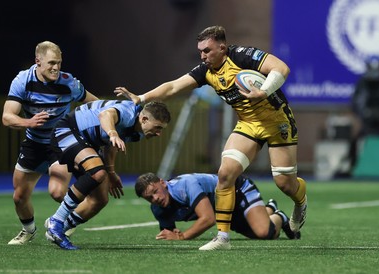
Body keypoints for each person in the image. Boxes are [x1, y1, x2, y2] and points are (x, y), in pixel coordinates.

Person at [115, 25, 307, 250]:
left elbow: (281, 68)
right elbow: (174, 86)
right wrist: (141, 97)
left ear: (222, 48)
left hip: (277, 122)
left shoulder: (242, 56)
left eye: (207, 50)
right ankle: (222, 239)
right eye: (200, 51)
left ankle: (300, 202)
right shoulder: (205, 71)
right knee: (225, 174)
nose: (203, 56)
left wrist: (263, 92)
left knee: (284, 183)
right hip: (248, 125)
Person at [2, 41, 99, 245]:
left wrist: (103, 118)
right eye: (51, 63)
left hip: (60, 142)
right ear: (38, 61)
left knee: (57, 193)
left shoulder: (69, 83)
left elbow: (95, 103)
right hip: (34, 143)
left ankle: (61, 223)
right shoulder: (23, 80)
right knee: (19, 196)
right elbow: (7, 117)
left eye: (59, 63)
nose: (56, 68)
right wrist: (29, 122)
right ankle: (28, 230)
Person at [45, 100, 171, 250]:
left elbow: (111, 146)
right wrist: (113, 133)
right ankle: (56, 222)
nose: (159, 133)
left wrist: (111, 173)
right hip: (69, 130)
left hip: (89, 143)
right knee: (97, 173)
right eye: (157, 127)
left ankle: (61, 230)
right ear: (144, 119)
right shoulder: (128, 112)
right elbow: (105, 115)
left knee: (99, 200)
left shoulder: (139, 132)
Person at [135, 172, 300, 244]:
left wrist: (183, 236)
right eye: (149, 198)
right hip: (223, 209)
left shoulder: (186, 185)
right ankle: (268, 209)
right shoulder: (157, 210)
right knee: (262, 236)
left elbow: (208, 219)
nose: (155, 198)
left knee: (265, 232)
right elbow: (169, 234)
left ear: (162, 182)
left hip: (237, 189)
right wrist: (174, 234)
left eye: (155, 191)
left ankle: (281, 217)